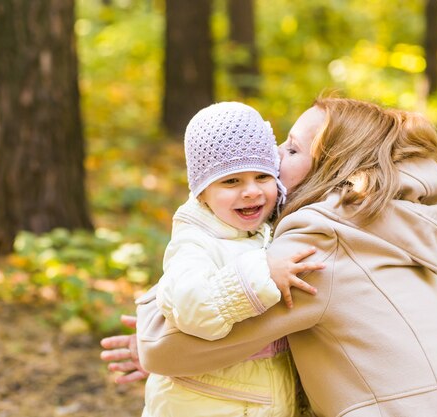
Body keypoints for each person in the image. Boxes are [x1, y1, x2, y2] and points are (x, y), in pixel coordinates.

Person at [102, 96, 437, 417]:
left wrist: (149, 331)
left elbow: (165, 348)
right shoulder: (385, 218)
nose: (273, 156)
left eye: (292, 148)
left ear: (330, 169)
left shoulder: (323, 242)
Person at [125, 101, 324, 417]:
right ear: (202, 192)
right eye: (231, 181)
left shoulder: (265, 234)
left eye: (262, 176)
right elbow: (191, 305)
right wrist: (263, 274)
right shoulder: (194, 242)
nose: (250, 191)